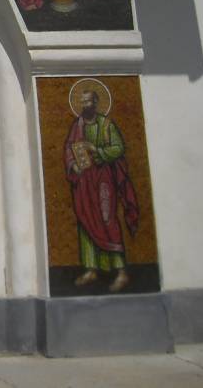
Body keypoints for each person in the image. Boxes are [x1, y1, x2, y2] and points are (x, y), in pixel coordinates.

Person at [65, 89, 139, 293]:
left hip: (103, 179)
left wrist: (96, 150)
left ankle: (120, 271)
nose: (84, 105)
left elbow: (118, 148)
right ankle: (91, 269)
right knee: (85, 220)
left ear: (96, 103)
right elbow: (69, 148)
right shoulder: (77, 125)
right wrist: (73, 165)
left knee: (107, 219)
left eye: (88, 101)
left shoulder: (107, 125)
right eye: (82, 101)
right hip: (84, 181)